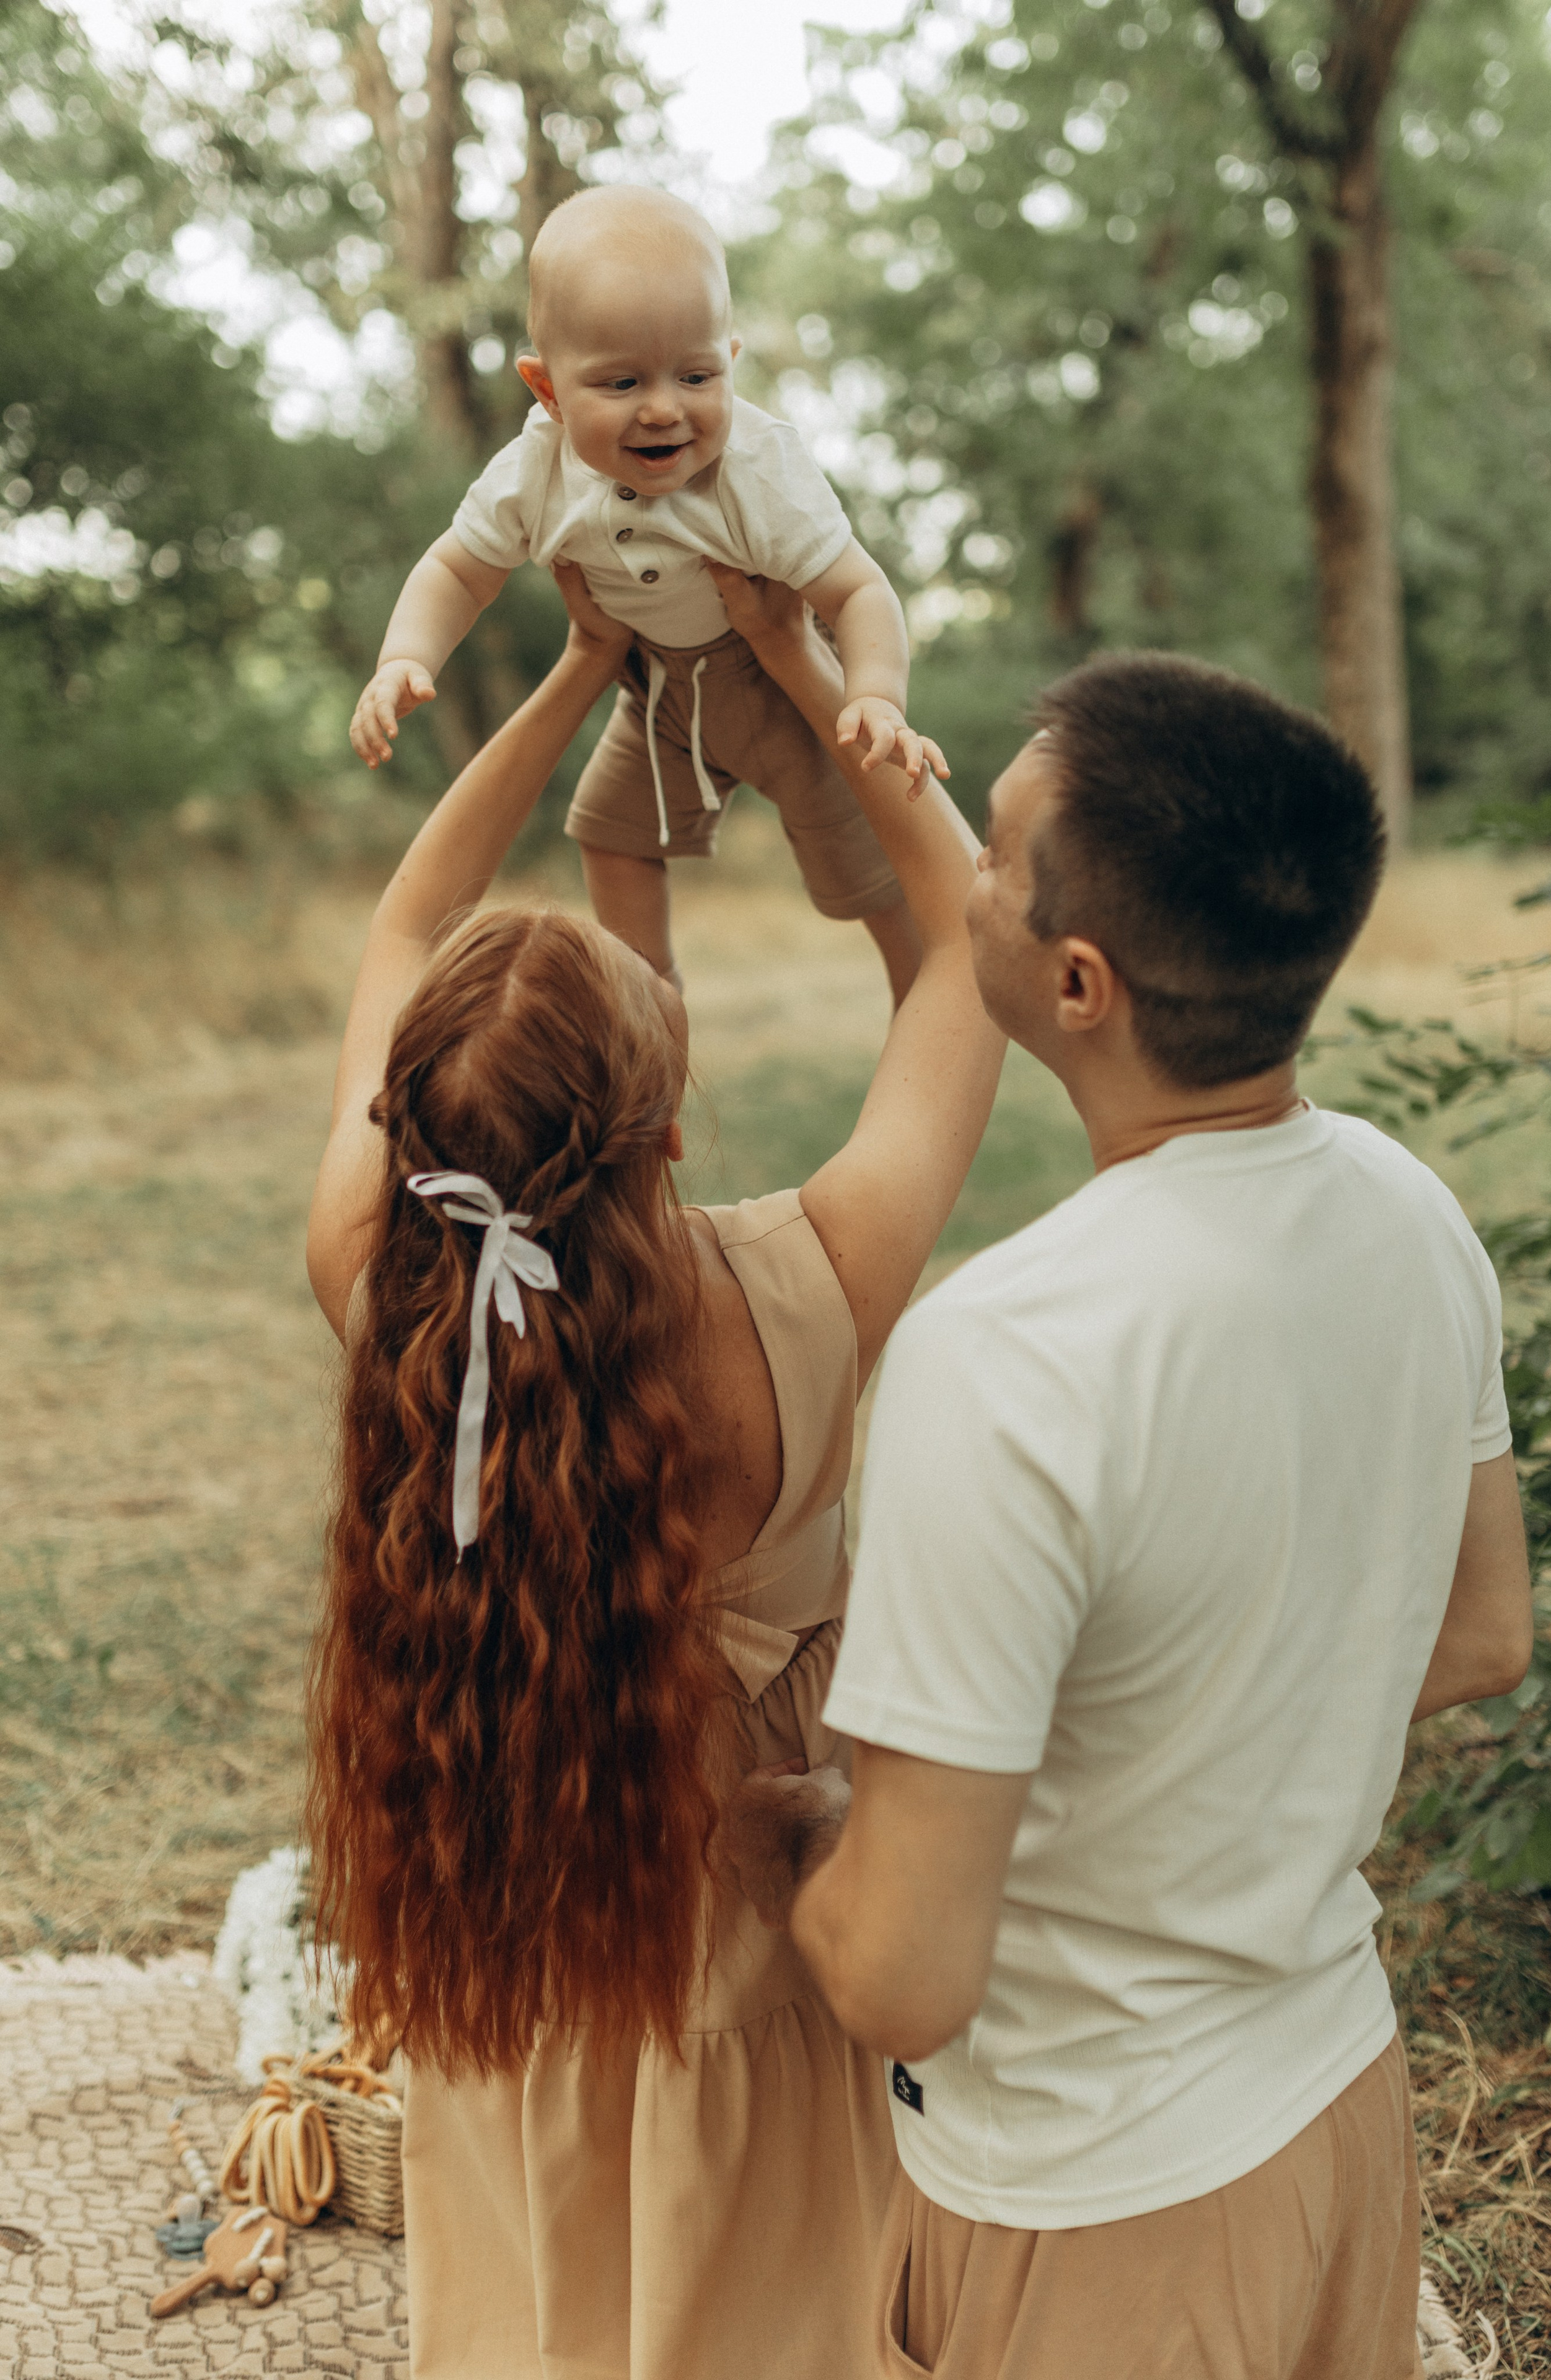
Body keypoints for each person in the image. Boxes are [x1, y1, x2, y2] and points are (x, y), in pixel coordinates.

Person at [730, 653, 1536, 2380]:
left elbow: (899, 1981)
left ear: (1077, 981)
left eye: (1000, 859)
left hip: (1091, 2207)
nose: (974, 880)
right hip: (1335, 2111)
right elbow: (1480, 1636)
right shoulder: (1412, 1212)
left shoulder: (1004, 1357)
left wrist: (803, 1842)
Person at [304, 558, 1004, 2380]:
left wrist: (570, 679)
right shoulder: (809, 1286)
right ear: (665, 1120)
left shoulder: (376, 1275)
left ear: (411, 1121)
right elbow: (966, 962)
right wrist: (795, 662)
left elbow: (400, 939)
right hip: (753, 1983)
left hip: (512, 1955)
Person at [348, 183, 941, 1003]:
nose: (665, 409)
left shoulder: (759, 471)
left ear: (730, 362)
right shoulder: (535, 472)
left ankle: (926, 989)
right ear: (547, 390)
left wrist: (876, 698)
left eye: (695, 376)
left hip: (791, 697)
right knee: (609, 834)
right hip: (656, 692)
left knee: (870, 859)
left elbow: (859, 590)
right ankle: (650, 1001)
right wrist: (404, 657)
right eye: (622, 384)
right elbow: (457, 570)